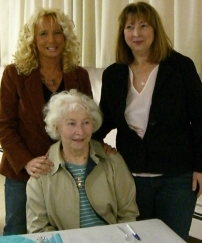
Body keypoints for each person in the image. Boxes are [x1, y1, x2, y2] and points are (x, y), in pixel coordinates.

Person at [93, 1, 202, 240]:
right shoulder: (114, 73)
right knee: (138, 242)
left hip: (176, 177)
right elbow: (104, 119)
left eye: (143, 25)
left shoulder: (180, 67)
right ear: (123, 33)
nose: (136, 33)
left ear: (155, 30)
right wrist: (84, 144)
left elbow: (200, 120)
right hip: (132, 177)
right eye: (129, 27)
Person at [0, 8, 93, 235]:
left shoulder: (79, 75)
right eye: (43, 34)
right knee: (17, 231)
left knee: (63, 230)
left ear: (66, 38)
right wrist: (27, 161)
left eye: (57, 33)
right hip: (24, 171)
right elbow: (3, 125)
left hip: (67, 169)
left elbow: (88, 122)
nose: (51, 40)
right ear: (32, 40)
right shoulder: (14, 74)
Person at [26, 89, 139, 233]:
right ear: (56, 127)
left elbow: (128, 214)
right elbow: (38, 229)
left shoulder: (112, 161)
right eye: (71, 124)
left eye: (86, 122)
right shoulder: (42, 171)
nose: (80, 131)